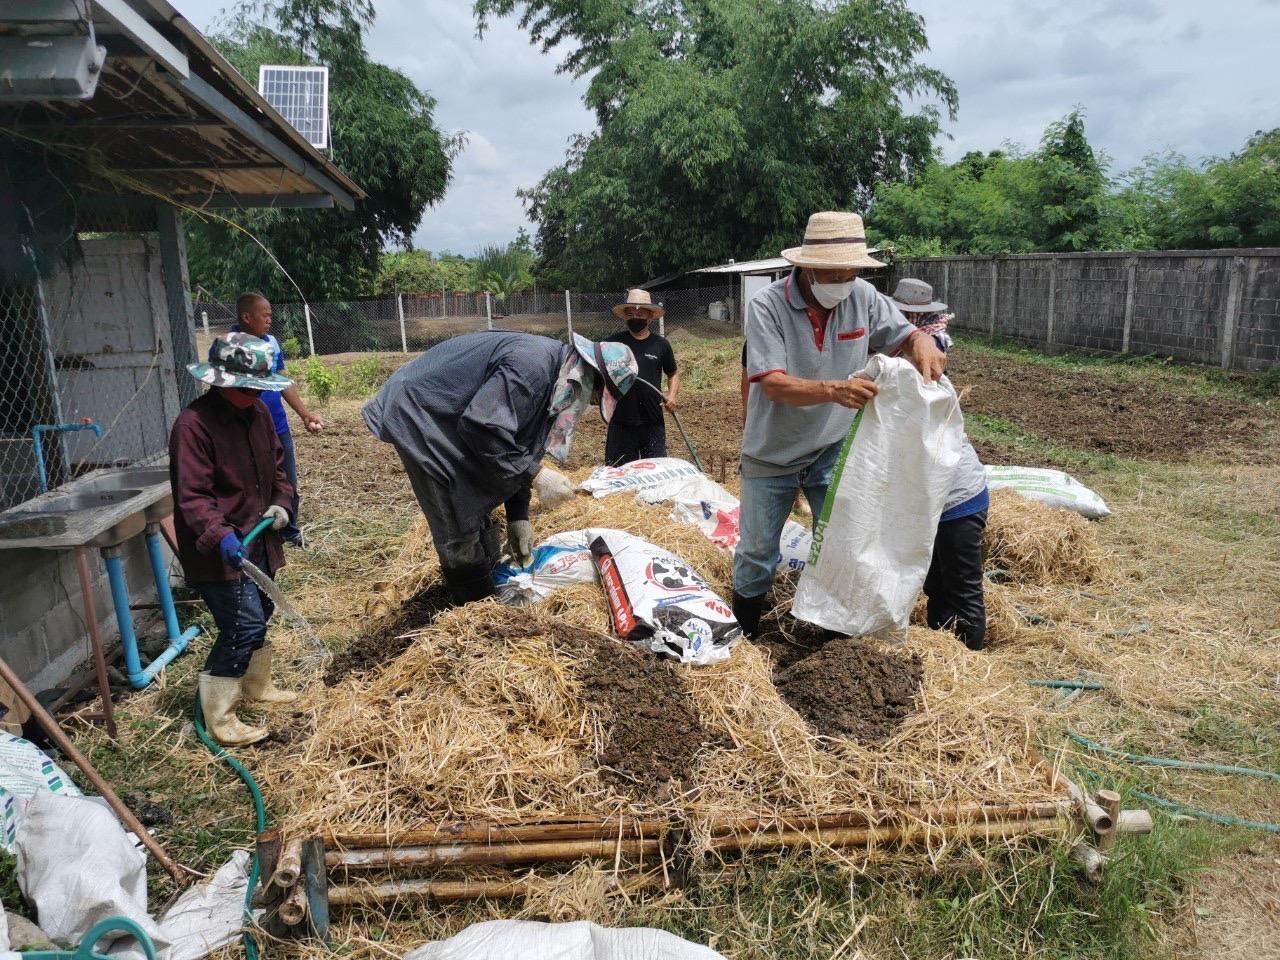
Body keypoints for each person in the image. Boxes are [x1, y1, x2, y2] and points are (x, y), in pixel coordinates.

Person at [735, 211, 947, 636]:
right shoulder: (767, 306)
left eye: (852, 268)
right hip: (771, 451)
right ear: (808, 266)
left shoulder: (863, 297)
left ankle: (833, 635)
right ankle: (745, 637)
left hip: (832, 447)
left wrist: (921, 340)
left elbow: (904, 335)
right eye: (835, 271)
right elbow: (773, 385)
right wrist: (833, 391)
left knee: (843, 541)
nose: (845, 278)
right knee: (758, 552)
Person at [363, 331, 637, 604]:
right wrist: (536, 475)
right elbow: (481, 427)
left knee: (477, 497)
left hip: (456, 416)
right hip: (423, 410)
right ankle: (475, 611)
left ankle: (489, 582)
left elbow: (517, 445)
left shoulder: (554, 377)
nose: (588, 405)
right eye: (594, 397)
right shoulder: (533, 367)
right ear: (588, 374)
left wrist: (519, 517)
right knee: (454, 509)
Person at [170, 334, 298, 747]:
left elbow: (278, 469)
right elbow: (193, 497)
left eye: (258, 388)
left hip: (258, 541)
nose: (254, 394)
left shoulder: (258, 413)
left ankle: (257, 685)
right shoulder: (194, 426)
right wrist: (220, 535)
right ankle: (220, 718)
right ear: (221, 382)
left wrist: (281, 503)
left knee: (260, 611)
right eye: (246, 388)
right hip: (220, 550)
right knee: (242, 624)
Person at [889, 278, 989, 650]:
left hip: (957, 499)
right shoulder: (914, 359)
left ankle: (970, 661)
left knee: (962, 588)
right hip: (932, 502)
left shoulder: (924, 368)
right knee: (934, 585)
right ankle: (943, 651)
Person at [218, 293, 324, 547]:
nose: (269, 320)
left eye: (270, 315)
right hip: (244, 428)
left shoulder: (272, 342)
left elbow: (282, 381)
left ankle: (288, 531)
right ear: (246, 316)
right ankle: (252, 534)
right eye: (264, 315)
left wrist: (304, 414)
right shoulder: (229, 345)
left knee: (287, 482)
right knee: (248, 484)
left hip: (276, 425)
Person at [603, 289, 679, 465]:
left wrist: (672, 395)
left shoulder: (661, 345)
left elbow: (673, 373)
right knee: (617, 473)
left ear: (650, 316)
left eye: (640, 313)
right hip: (621, 421)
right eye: (631, 314)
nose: (635, 317)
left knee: (654, 474)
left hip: (652, 421)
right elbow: (598, 367)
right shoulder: (613, 344)